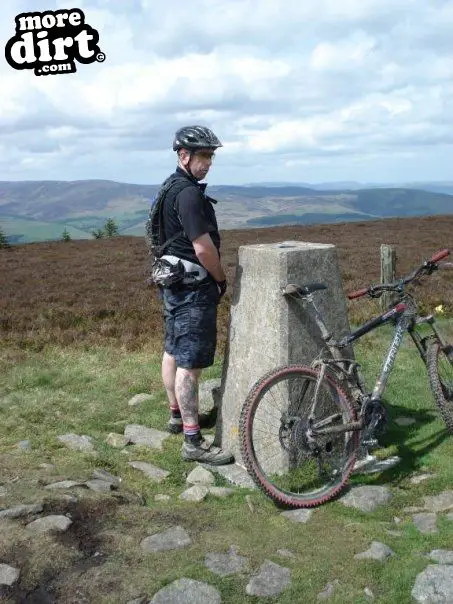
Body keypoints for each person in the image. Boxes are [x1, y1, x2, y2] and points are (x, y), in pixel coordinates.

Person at [156, 125, 234, 466]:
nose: (208, 162)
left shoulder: (169, 188)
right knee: (190, 365)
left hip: (172, 284)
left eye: (210, 156)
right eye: (203, 155)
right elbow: (203, 248)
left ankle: (176, 415)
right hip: (193, 289)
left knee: (172, 349)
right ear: (183, 155)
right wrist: (220, 279)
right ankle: (193, 442)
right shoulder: (188, 194)